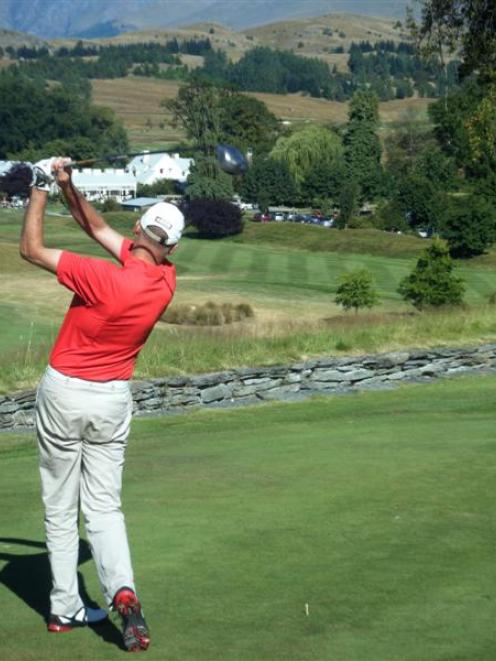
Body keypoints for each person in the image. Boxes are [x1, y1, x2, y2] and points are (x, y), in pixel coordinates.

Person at [20, 157, 185, 652]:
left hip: (65, 391)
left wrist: (39, 186)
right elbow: (95, 227)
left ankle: (65, 604)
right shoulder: (165, 280)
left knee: (59, 503)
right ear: (170, 245)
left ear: (138, 228)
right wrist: (69, 185)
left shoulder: (99, 276)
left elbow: (30, 249)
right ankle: (123, 592)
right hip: (112, 399)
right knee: (104, 506)